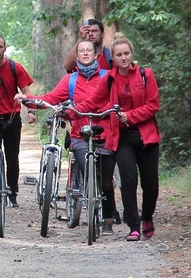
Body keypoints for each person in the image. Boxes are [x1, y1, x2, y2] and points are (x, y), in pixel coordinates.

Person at [15, 40, 118, 234]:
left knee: (105, 180)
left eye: (89, 50)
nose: (85, 53)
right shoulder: (70, 81)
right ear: (76, 56)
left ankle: (108, 218)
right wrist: (29, 101)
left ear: (96, 55)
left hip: (105, 135)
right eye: (81, 51)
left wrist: (106, 111)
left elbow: (118, 100)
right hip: (80, 135)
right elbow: (51, 99)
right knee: (87, 168)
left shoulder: (108, 77)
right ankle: (88, 201)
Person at [74, 35, 160, 242]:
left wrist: (130, 115)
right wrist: (72, 112)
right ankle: (134, 226)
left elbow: (153, 105)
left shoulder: (145, 75)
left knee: (151, 184)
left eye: (126, 53)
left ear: (132, 54)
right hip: (122, 137)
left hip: (146, 136)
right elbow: (93, 102)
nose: (123, 58)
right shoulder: (110, 79)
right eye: (119, 55)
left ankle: (147, 216)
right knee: (128, 181)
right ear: (112, 58)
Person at [0, 35, 36, 208]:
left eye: (0, 46)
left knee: (12, 158)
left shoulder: (14, 68)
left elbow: (26, 91)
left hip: (11, 119)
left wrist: (31, 111)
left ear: (5, 48)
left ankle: (12, 193)